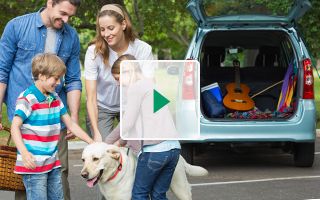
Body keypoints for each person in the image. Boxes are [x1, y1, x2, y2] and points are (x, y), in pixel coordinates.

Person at [0, 1, 83, 199]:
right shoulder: (17, 26)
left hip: (55, 118)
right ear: (49, 3)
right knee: (27, 178)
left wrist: (73, 118)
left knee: (59, 174)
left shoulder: (71, 36)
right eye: (62, 13)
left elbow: (72, 81)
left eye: (70, 16)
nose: (66, 20)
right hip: (25, 119)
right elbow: (2, 72)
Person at [11, 53, 94, 200]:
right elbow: (15, 127)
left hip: (52, 163)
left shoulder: (55, 98)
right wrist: (23, 152)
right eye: (56, 78)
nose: (59, 82)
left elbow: (71, 125)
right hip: (34, 166)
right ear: (42, 76)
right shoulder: (27, 99)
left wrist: (92, 142)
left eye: (60, 78)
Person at [105, 54, 181, 200]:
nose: (118, 84)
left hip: (154, 151)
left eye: (118, 78)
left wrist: (105, 143)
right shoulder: (152, 85)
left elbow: (127, 122)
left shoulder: (136, 88)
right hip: (174, 148)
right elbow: (161, 115)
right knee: (158, 194)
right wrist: (121, 142)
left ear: (128, 71)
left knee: (139, 194)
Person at [84, 3, 153, 143]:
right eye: (102, 30)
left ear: (123, 24)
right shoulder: (93, 52)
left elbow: (148, 88)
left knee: (133, 146)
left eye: (111, 28)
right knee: (105, 146)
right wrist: (96, 132)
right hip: (102, 107)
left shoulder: (142, 49)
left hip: (132, 106)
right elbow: (91, 98)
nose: (106, 34)